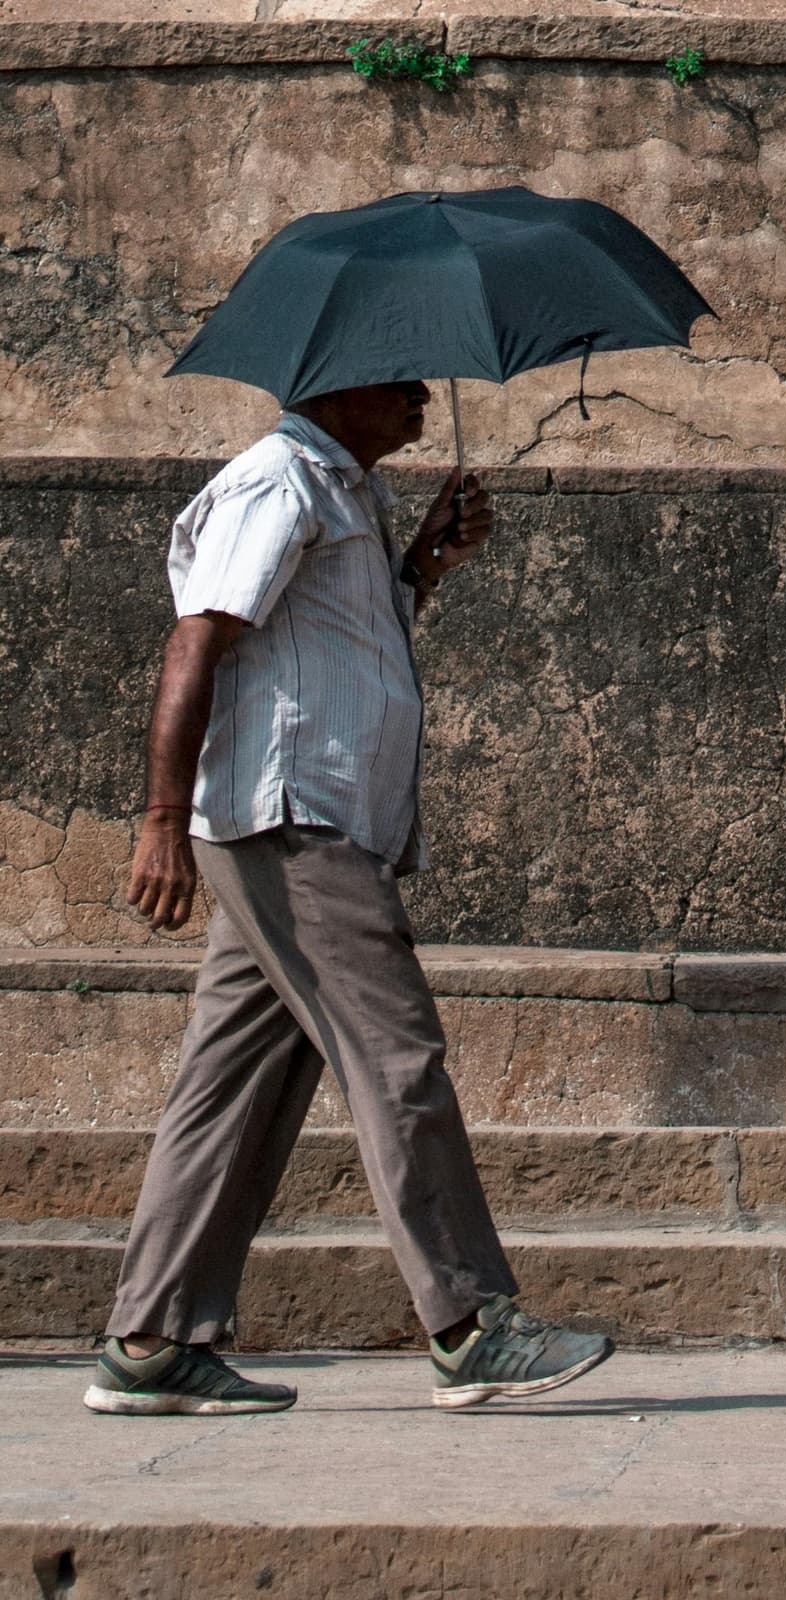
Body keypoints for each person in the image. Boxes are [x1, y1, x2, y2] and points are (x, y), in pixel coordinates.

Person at [88, 381, 613, 1416]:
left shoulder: (345, 496)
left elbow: (331, 645)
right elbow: (196, 641)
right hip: (293, 824)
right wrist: (159, 819)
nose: (421, 395)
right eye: (400, 377)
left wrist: (422, 565)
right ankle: (470, 1323)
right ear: (336, 391)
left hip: (309, 823)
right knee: (395, 1056)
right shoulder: (277, 483)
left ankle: (151, 1337)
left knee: (233, 1083)